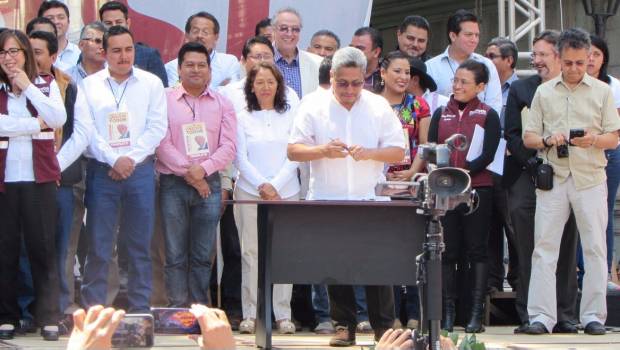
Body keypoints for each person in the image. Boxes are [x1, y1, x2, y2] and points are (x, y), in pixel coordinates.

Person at [288, 46, 405, 346]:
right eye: (343, 83)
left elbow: (397, 150)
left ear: (365, 78)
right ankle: (344, 325)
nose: (350, 90)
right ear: (332, 76)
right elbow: (294, 150)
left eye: (357, 83)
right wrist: (323, 151)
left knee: (379, 265)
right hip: (328, 198)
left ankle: (384, 330)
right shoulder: (312, 105)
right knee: (334, 264)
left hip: (371, 199)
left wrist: (370, 154)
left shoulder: (379, 106)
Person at [523, 28, 620, 336]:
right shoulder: (545, 91)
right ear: (559, 59)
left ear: (590, 58)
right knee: (544, 248)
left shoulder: (602, 91)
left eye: (580, 63)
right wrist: (548, 139)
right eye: (569, 63)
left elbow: (614, 138)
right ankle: (540, 316)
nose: (575, 69)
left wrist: (593, 140)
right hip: (554, 176)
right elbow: (528, 137)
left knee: (595, 248)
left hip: (590, 176)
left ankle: (593, 316)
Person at [79, 25, 167, 313]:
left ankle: (141, 310)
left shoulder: (151, 83)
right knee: (99, 246)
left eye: (128, 49)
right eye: (116, 50)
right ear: (104, 53)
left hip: (139, 172)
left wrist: (129, 158)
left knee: (139, 246)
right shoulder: (89, 85)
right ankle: (95, 311)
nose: (123, 56)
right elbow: (87, 130)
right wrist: (112, 159)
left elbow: (157, 127)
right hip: (102, 172)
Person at [504, 29, 580, 335]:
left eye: (542, 55)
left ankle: (565, 314)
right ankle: (531, 314)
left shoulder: (576, 90)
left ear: (559, 57)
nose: (536, 61)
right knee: (528, 246)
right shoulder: (522, 89)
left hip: (568, 174)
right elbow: (511, 132)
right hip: (527, 174)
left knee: (565, 245)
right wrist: (534, 163)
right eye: (534, 54)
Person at [156, 42, 236, 307]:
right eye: (189, 64)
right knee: (175, 252)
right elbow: (161, 142)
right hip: (172, 183)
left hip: (209, 183)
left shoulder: (222, 103)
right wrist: (191, 173)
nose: (196, 70)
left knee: (203, 254)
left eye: (202, 65)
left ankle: (199, 310)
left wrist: (203, 171)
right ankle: (177, 310)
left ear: (210, 71)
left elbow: (229, 146)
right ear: (178, 69)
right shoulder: (164, 99)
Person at [0, 29, 67, 341]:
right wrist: (32, 125)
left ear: (26, 54)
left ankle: (48, 316)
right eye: (3, 52)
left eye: (15, 51)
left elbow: (56, 117)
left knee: (43, 249)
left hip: (39, 180)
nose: (9, 57)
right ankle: (7, 316)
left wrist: (27, 86)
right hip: (5, 182)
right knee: (6, 251)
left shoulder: (46, 83)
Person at [28, 28, 95, 334]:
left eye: (37, 52)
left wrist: (52, 167)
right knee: (22, 249)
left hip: (58, 180)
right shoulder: (10, 87)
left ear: (54, 56)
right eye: (24, 51)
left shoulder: (68, 85)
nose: (30, 58)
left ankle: (58, 309)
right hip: (20, 181)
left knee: (60, 248)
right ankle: (25, 309)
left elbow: (81, 133)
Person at [427, 60, 501, 333]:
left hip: (477, 189)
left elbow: (489, 154)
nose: (457, 86)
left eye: (464, 82)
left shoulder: (488, 113)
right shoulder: (440, 112)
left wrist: (465, 174)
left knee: (476, 250)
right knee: (448, 251)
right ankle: (447, 313)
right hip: (445, 190)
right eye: (455, 80)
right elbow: (433, 149)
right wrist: (447, 174)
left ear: (481, 87)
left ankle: (475, 313)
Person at [234, 61, 300, 335]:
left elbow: (295, 153)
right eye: (259, 82)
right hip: (250, 191)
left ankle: (282, 315)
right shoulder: (241, 116)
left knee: (283, 253)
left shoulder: (291, 114)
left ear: (278, 85)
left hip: (286, 192)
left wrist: (275, 185)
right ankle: (251, 314)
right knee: (251, 253)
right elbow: (240, 157)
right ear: (251, 86)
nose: (265, 87)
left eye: (270, 82)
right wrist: (262, 184)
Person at [378, 51, 430, 330]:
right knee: (386, 250)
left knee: (412, 250)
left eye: (407, 72)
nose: (403, 77)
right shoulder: (371, 104)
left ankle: (414, 312)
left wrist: (412, 171)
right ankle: (391, 314)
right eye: (397, 71)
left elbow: (424, 143)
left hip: (411, 184)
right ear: (383, 73)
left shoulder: (419, 105)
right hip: (380, 184)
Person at [580, 34, 620, 294]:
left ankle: (603, 272)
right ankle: (578, 270)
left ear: (604, 58)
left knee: (602, 213)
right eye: (588, 54)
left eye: (597, 54)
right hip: (575, 155)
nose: (592, 59)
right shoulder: (567, 85)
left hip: (607, 152)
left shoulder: (613, 87)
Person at [484, 37, 519, 294]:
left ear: (509, 60)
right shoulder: (483, 85)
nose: (487, 60)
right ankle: (492, 282)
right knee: (489, 227)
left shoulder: (522, 88)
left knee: (513, 225)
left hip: (512, 167)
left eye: (493, 55)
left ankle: (518, 280)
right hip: (487, 165)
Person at [426, 9, 502, 114]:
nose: (474, 40)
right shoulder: (431, 67)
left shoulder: (487, 65)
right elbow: (425, 107)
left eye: (477, 35)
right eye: (469, 35)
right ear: (453, 36)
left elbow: (494, 105)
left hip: (480, 127)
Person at [220, 36, 299, 114]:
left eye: (267, 56)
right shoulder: (228, 93)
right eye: (257, 56)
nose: (262, 61)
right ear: (243, 61)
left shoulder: (289, 94)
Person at [99, 1, 168, 87]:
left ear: (128, 23)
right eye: (108, 23)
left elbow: (162, 91)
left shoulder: (149, 56)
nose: (114, 26)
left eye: (119, 22)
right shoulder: (93, 55)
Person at [165, 12, 240, 89]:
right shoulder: (172, 67)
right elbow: (177, 95)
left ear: (216, 37)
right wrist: (219, 89)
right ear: (187, 35)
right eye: (195, 31)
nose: (199, 36)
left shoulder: (229, 62)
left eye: (205, 32)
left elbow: (230, 94)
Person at [271, 7, 322, 99]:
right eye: (283, 28)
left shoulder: (317, 63)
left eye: (295, 29)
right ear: (273, 30)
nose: (289, 34)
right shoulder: (260, 60)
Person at [38, 0, 80, 72]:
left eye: (61, 17)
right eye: (50, 18)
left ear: (68, 22)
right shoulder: (33, 54)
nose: (56, 22)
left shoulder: (79, 53)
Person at [66, 22, 106, 87]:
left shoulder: (116, 76)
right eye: (97, 41)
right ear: (81, 45)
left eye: (105, 42)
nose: (102, 47)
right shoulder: (65, 78)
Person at [350, 26, 383, 92]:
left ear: (376, 52)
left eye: (360, 48)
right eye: (351, 48)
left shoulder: (387, 78)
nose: (353, 52)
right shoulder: (339, 73)